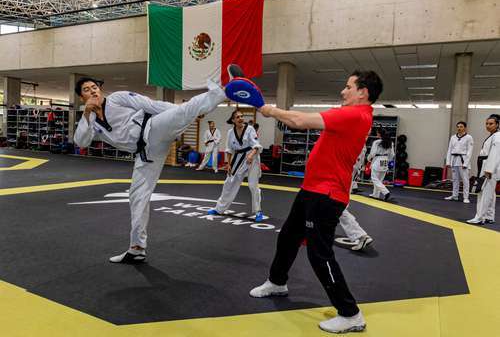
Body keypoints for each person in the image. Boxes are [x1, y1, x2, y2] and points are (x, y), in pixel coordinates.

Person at [250, 70, 383, 334]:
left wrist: (269, 109)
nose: (343, 91)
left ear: (363, 92)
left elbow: (299, 120)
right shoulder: (349, 112)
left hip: (327, 194)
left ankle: (350, 313)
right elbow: (300, 120)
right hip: (311, 189)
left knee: (319, 253)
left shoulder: (355, 114)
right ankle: (277, 282)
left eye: (348, 87)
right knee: (288, 237)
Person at [73, 76, 227, 263]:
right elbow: (81, 142)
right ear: (82, 97)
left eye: (95, 87)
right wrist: (87, 114)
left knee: (183, 112)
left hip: (154, 127)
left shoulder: (117, 98)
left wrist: (180, 111)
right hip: (146, 152)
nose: (93, 91)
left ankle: (223, 92)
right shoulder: (91, 122)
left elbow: (151, 105)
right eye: (87, 90)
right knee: (137, 196)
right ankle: (137, 248)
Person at [207, 110, 264, 222]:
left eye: (242, 116)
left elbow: (256, 145)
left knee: (253, 185)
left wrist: (251, 155)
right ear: (233, 120)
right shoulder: (230, 132)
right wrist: (228, 164)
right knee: (229, 182)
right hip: (238, 159)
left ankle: (258, 211)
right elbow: (229, 149)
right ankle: (219, 209)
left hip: (252, 158)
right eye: (238, 117)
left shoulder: (250, 129)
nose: (241, 118)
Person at [336, 145, 373, 251]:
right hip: (348, 177)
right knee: (338, 207)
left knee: (337, 207)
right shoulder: (362, 144)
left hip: (343, 177)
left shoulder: (355, 142)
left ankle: (360, 235)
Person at [467, 114, 500, 225]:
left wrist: (489, 169)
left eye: (491, 124)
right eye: (486, 123)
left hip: (488, 167)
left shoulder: (498, 136)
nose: (488, 126)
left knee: (484, 192)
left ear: (497, 124)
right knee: (491, 193)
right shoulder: (493, 135)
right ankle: (489, 216)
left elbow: (495, 153)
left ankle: (479, 217)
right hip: (486, 165)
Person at [444, 121, 474, 203]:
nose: (459, 128)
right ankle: (455, 195)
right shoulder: (453, 137)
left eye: (461, 126)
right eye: (458, 127)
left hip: (463, 160)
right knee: (455, 179)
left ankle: (466, 197)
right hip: (454, 160)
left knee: (465, 180)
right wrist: (448, 162)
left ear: (465, 128)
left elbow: (470, 151)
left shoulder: (469, 137)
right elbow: (449, 149)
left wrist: (466, 163)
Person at [367, 129, 395, 201]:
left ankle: (386, 192)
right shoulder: (390, 142)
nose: (377, 134)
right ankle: (375, 194)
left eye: (377, 133)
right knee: (380, 179)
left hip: (378, 159)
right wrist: (388, 161)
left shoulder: (376, 142)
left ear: (379, 134)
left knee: (374, 178)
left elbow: (372, 153)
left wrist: (368, 159)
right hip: (385, 160)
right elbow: (392, 154)